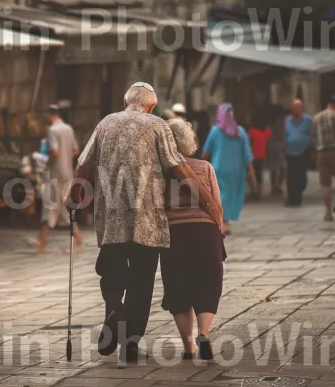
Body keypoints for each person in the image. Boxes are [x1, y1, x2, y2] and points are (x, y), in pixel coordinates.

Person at [67, 82, 223, 363]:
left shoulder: (105, 123)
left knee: (111, 273)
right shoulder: (157, 125)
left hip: (111, 218)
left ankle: (116, 309)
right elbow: (179, 168)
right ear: (151, 106)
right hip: (147, 221)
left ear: (126, 101)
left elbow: (85, 164)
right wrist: (207, 202)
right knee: (141, 282)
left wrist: (73, 196)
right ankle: (130, 345)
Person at [162, 117, 224, 361]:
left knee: (178, 289)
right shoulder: (204, 167)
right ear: (189, 141)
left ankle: (188, 348)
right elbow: (216, 204)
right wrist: (218, 231)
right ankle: (204, 334)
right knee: (208, 284)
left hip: (175, 233)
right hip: (205, 232)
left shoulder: (161, 173)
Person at [25, 105, 82, 251]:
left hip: (54, 175)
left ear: (49, 115)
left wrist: (41, 158)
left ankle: (41, 244)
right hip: (67, 174)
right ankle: (77, 241)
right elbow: (75, 150)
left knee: (49, 209)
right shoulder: (68, 128)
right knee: (64, 210)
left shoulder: (52, 130)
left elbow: (54, 152)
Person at [203, 103, 256, 236]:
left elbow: (205, 153)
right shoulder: (240, 132)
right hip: (236, 171)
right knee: (230, 196)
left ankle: (223, 222)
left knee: (220, 195)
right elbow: (247, 154)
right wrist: (251, 171)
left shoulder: (215, 131)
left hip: (218, 169)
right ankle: (225, 222)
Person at [312, 96, 335, 222]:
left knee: (325, 184)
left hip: (321, 153)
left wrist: (316, 152)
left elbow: (313, 138)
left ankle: (328, 212)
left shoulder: (316, 118)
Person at [283, 99, 312, 207]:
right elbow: (285, 135)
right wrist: (283, 149)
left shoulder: (308, 120)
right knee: (290, 176)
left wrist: (313, 148)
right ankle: (291, 198)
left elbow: (312, 133)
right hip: (290, 152)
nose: (296, 110)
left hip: (303, 151)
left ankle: (298, 196)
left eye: (298, 108)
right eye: (294, 108)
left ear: (302, 109)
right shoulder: (287, 120)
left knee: (301, 175)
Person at [248, 116, 272, 199]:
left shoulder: (252, 131)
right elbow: (268, 140)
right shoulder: (266, 130)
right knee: (259, 174)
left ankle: (253, 191)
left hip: (253, 155)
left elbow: (249, 141)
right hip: (262, 155)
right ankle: (259, 191)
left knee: (251, 173)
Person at [266, 105, 286, 195]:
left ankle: (274, 187)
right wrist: (283, 147)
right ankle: (277, 186)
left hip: (271, 145)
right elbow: (282, 134)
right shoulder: (281, 122)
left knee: (273, 168)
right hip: (277, 144)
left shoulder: (269, 122)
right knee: (282, 168)